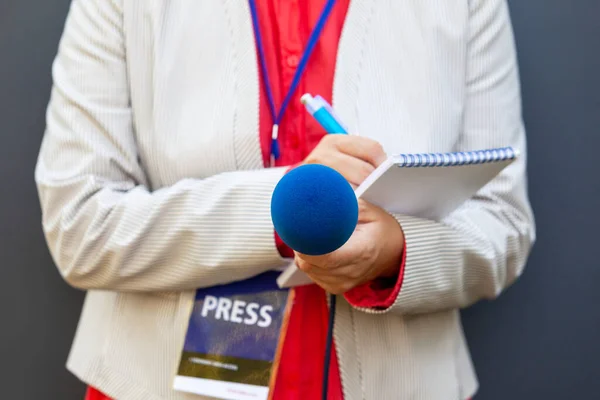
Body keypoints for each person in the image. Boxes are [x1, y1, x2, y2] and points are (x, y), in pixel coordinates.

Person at [35, 0, 535, 399]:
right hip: (149, 383)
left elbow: (503, 225)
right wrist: (282, 210)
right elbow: (80, 226)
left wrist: (398, 253)